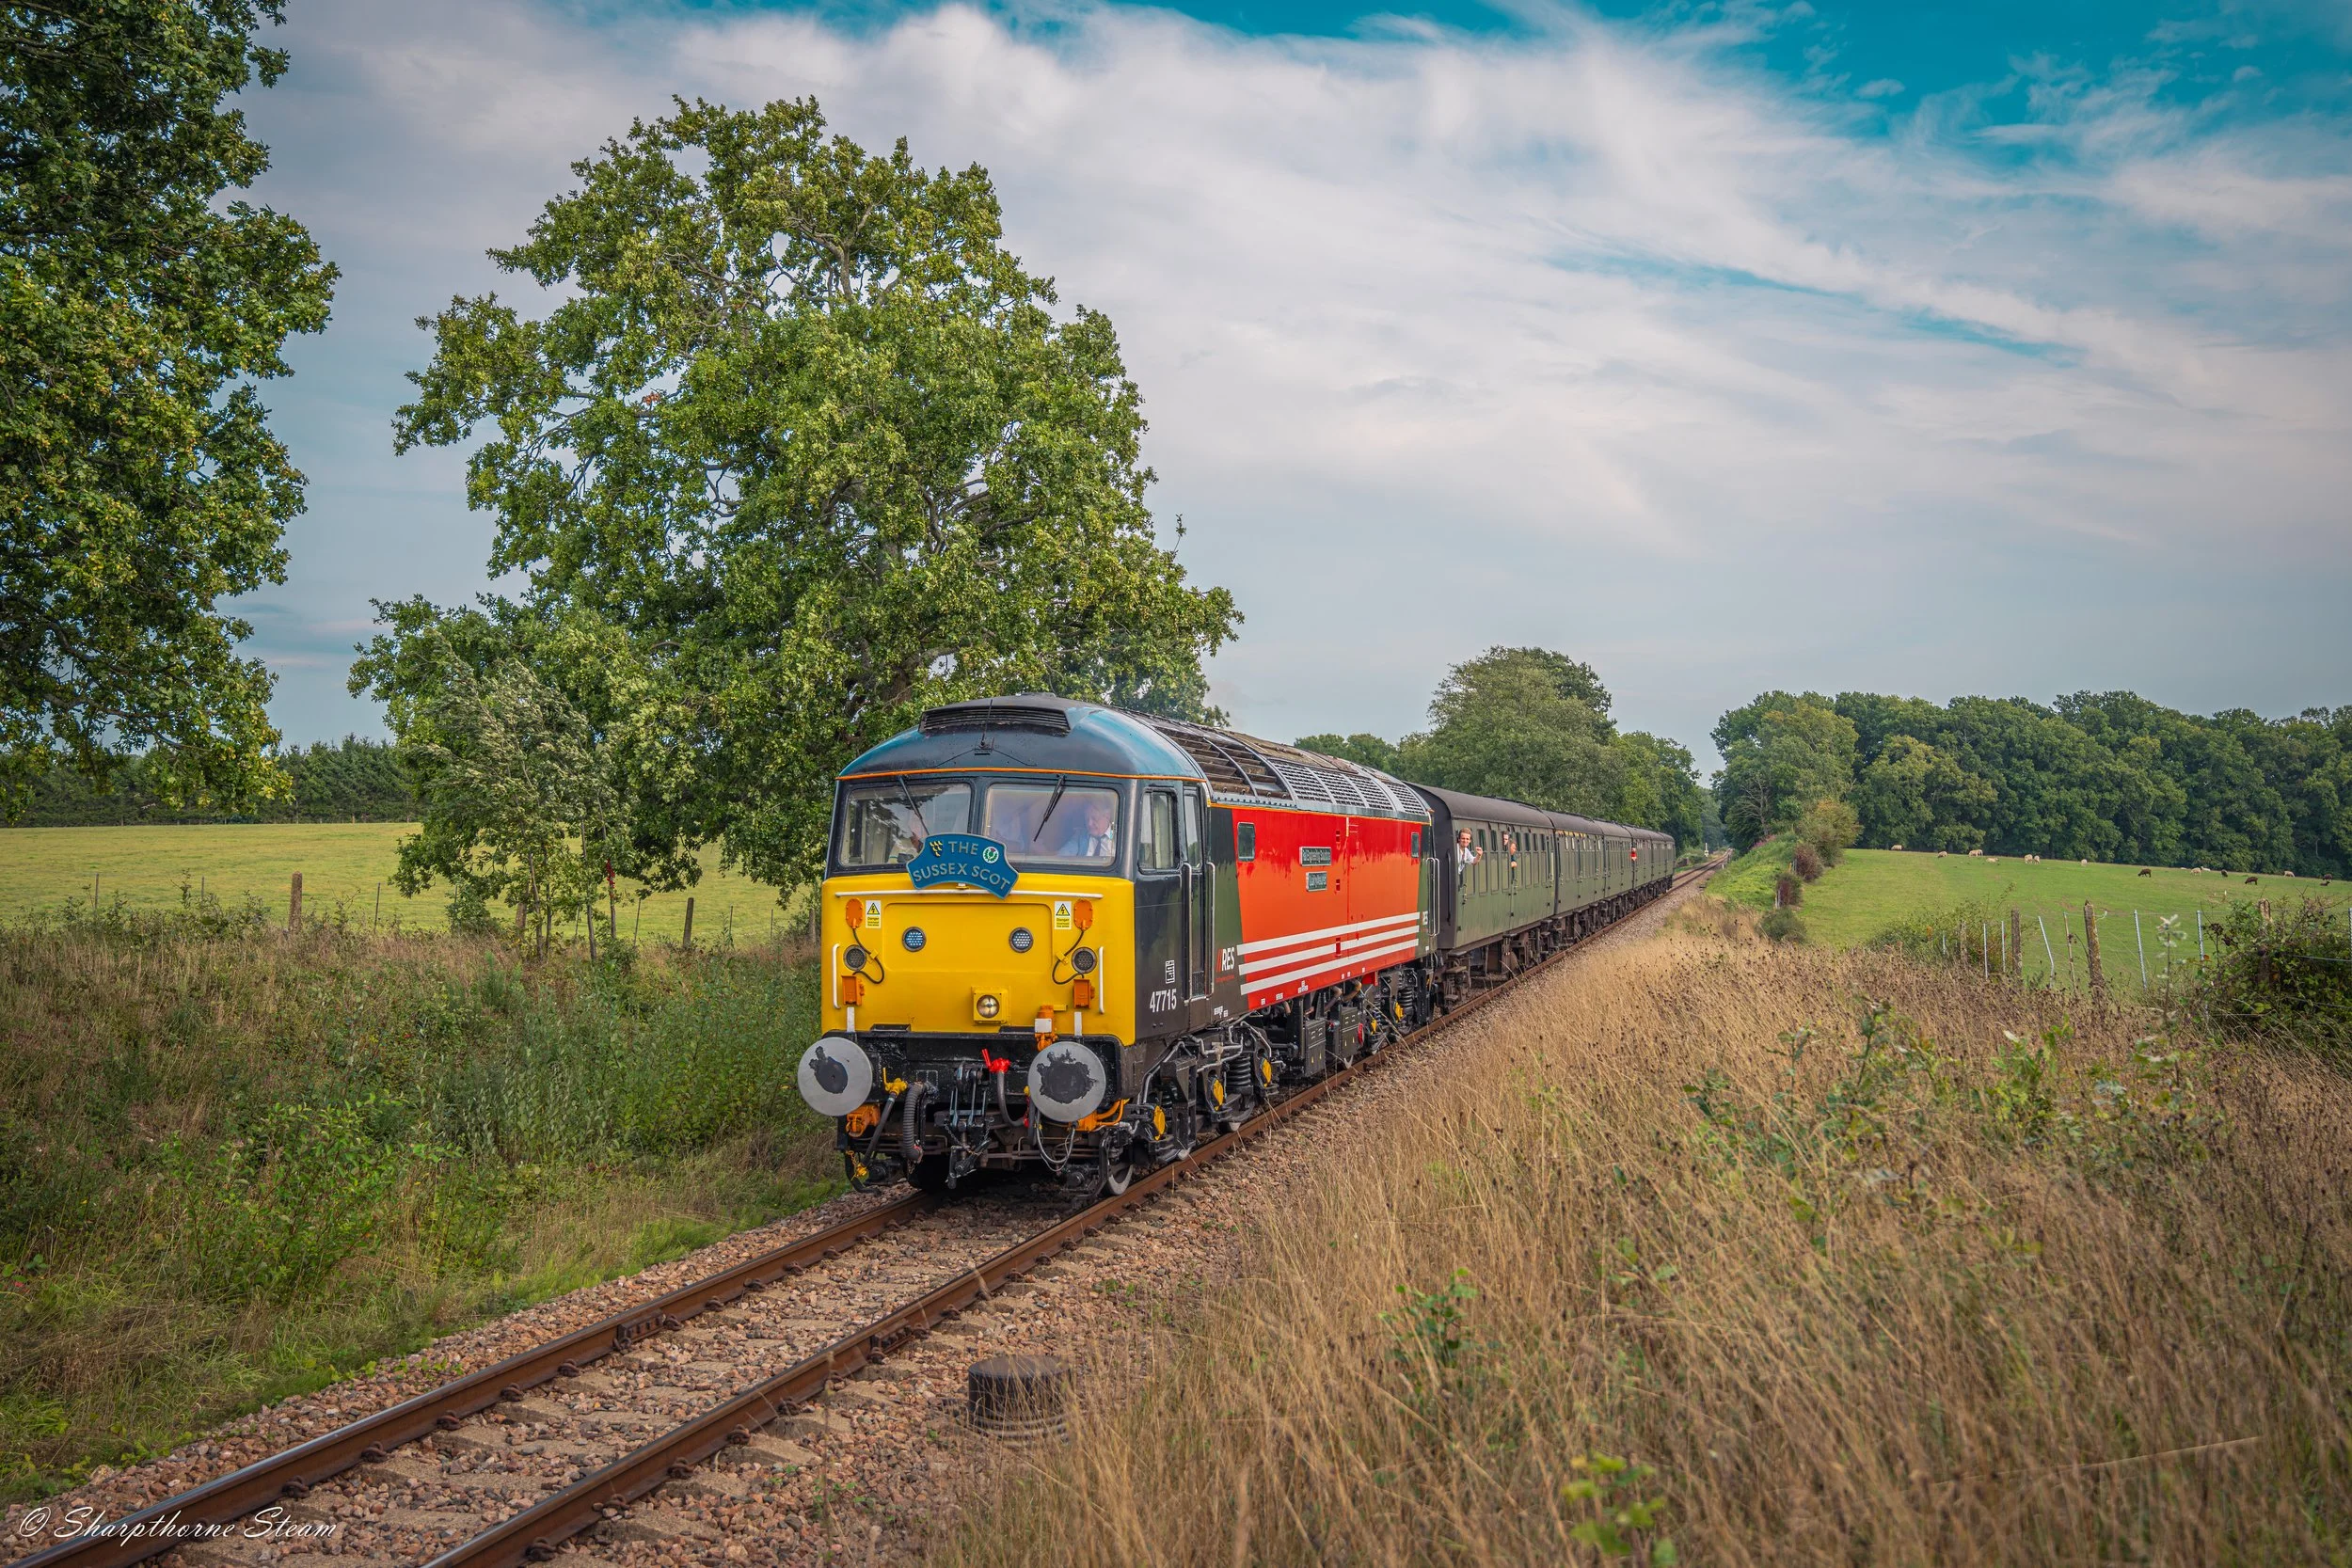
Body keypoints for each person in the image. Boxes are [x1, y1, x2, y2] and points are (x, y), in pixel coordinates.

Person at [1053, 794, 1119, 860]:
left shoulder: (1119, 836)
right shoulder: (1080, 836)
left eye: (1094, 818)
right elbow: (1063, 855)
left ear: (1107, 816)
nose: (1089, 823)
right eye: (1087, 819)